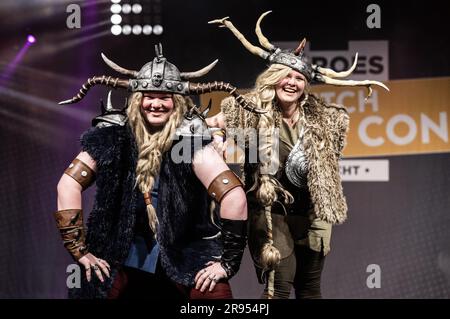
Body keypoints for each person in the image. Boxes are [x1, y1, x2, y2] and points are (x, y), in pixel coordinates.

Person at [207, 12, 389, 299]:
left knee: (310, 289)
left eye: (299, 78)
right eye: (286, 76)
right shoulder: (247, 109)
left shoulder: (325, 119)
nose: (292, 82)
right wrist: (218, 138)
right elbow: (208, 125)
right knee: (279, 286)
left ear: (306, 85)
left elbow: (326, 168)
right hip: (270, 214)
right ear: (273, 79)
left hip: (313, 214)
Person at [55, 44, 256, 299]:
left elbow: (233, 196)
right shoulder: (113, 135)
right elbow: (68, 184)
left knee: (214, 296)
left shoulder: (190, 140)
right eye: (150, 96)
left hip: (185, 255)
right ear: (138, 99)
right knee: (93, 289)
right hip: (117, 253)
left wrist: (227, 262)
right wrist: (79, 250)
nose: (156, 104)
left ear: (177, 102)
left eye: (164, 98)